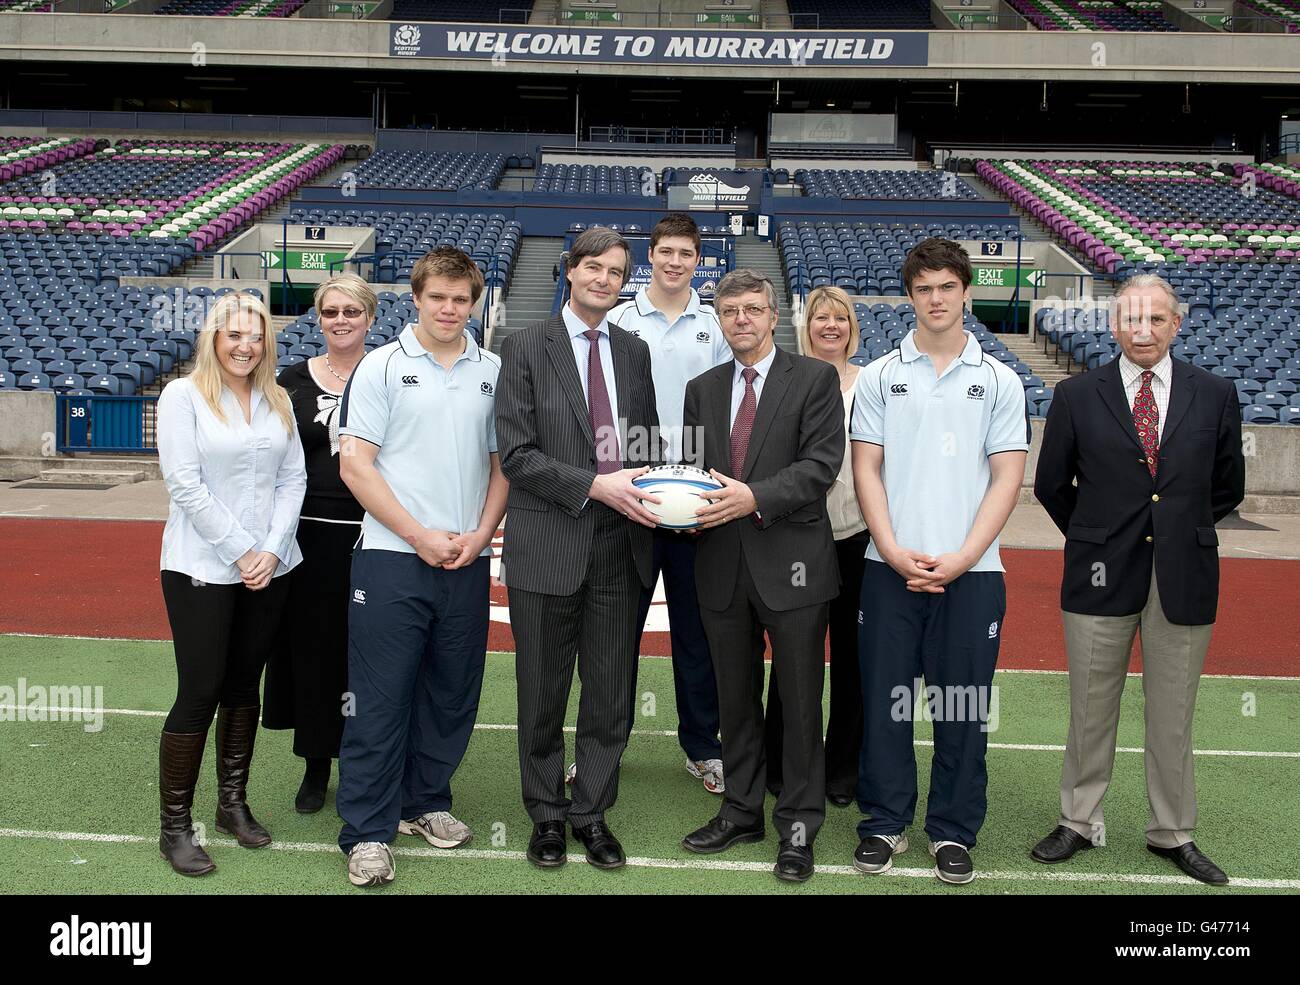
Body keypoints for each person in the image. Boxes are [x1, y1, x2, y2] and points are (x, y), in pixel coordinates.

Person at [1030, 274, 1245, 885]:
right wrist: (1095, 534)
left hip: (1184, 575)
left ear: (1176, 324)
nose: (1140, 330)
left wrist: (1178, 531)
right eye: (1129, 319)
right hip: (1099, 576)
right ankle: (1078, 820)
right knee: (1090, 709)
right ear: (1113, 324)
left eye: (1154, 319)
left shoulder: (1216, 394)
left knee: (1173, 715)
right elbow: (1051, 485)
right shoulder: (1076, 395)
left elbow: (1227, 486)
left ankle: (1171, 832)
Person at [850, 238, 1027, 885]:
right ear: (910, 295)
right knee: (887, 703)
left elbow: (1009, 478)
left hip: (972, 575)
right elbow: (866, 466)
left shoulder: (999, 379)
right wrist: (892, 547)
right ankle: (884, 822)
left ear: (965, 291)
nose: (935, 299)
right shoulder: (878, 375)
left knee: (959, 707)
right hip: (887, 567)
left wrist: (962, 556)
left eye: (946, 287)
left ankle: (951, 830)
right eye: (924, 288)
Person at [334, 248, 507, 888]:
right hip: (391, 559)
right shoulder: (380, 367)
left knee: (451, 692)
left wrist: (483, 535)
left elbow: (502, 467)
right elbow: (356, 466)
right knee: (379, 700)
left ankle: (426, 801)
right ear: (417, 298)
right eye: (438, 297)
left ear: (475, 303)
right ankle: (368, 831)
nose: (449, 309)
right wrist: (418, 535)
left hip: (466, 558)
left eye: (461, 299)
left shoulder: (491, 368)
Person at [495, 226, 663, 871]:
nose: (603, 279)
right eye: (593, 267)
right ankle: (545, 814)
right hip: (548, 541)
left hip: (621, 546)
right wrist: (595, 484)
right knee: (542, 691)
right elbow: (517, 456)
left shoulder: (633, 350)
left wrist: (667, 491)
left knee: (611, 693)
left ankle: (591, 812)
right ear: (570, 271)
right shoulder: (524, 347)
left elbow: (643, 445)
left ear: (624, 282)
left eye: (616, 271)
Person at [679, 269, 844, 883]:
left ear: (774, 316)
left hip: (795, 565)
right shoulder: (702, 388)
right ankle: (742, 809)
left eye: (753, 309)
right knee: (735, 699)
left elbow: (821, 465)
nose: (742, 319)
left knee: (800, 704)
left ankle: (799, 824)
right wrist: (677, 503)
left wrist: (751, 497)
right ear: (718, 321)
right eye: (730, 311)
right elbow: (694, 470)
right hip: (721, 564)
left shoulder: (816, 378)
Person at [155, 291, 306, 877]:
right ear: (213, 340)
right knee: (200, 690)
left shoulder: (279, 399)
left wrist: (269, 550)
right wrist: (242, 550)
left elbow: (292, 480)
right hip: (201, 567)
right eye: (234, 335)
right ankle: (175, 826)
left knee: (245, 687)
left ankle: (231, 805)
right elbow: (185, 484)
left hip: (273, 567)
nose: (246, 346)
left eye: (256, 336)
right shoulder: (182, 396)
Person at [608, 212, 731, 793]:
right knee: (615, 630)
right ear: (649, 256)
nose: (675, 261)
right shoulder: (617, 319)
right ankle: (605, 742)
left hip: (698, 497)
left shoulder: (717, 323)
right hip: (631, 492)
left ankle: (703, 746)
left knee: (698, 629)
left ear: (698, 259)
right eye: (665, 251)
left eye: (686, 252)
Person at [263, 274, 373, 814]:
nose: (341, 321)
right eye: (331, 312)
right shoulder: (290, 381)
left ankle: (369, 762)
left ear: (370, 318)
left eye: (352, 311)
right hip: (309, 537)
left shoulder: (389, 374)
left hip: (377, 533)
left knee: (372, 653)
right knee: (315, 651)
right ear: (319, 317)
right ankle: (315, 763)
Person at [765, 285, 869, 806]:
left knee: (852, 659)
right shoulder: (786, 380)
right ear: (805, 326)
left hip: (855, 536)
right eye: (821, 318)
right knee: (792, 657)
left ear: (853, 327)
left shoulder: (872, 383)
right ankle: (782, 761)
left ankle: (843, 767)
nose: (831, 326)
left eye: (841, 319)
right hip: (797, 538)